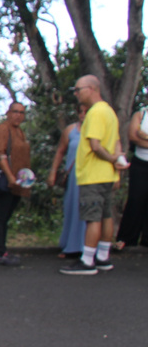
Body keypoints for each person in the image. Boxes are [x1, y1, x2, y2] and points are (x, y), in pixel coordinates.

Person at [61, 75, 127, 275]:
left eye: (78, 90)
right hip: (106, 176)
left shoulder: (96, 113)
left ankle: (87, 260)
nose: (76, 94)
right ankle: (103, 257)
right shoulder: (109, 111)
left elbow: (95, 145)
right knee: (106, 216)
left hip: (93, 175)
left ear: (91, 88)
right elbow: (116, 142)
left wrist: (113, 160)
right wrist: (116, 164)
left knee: (93, 218)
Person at [0, 101, 31, 266]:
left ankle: (3, 249)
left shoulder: (19, 132)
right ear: (8, 112)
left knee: (6, 217)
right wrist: (10, 177)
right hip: (5, 180)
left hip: (19, 182)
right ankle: (0, 253)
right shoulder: (2, 130)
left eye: (21, 112)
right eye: (15, 111)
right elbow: (0, 154)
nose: (18, 115)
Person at [49, 107, 86, 259]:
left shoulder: (98, 130)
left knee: (88, 212)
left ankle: (87, 248)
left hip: (91, 177)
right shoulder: (70, 130)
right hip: (73, 177)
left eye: (86, 111)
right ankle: (70, 246)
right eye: (80, 111)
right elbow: (60, 151)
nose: (83, 114)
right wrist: (53, 172)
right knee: (72, 209)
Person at [114, 105, 148, 250]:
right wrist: (139, 135)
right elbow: (133, 136)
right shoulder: (141, 114)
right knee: (136, 198)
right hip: (140, 163)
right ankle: (127, 238)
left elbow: (139, 134)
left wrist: (144, 135)